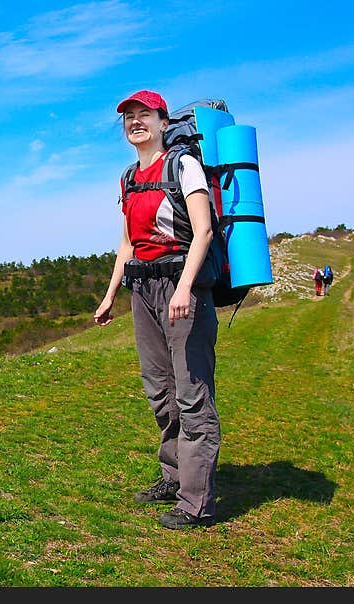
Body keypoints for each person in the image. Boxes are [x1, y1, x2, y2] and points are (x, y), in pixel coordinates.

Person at [94, 90, 220, 529]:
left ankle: (197, 502)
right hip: (142, 290)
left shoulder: (182, 165)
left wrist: (185, 287)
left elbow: (202, 231)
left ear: (163, 121)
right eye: (128, 117)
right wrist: (111, 294)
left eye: (143, 114)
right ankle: (173, 477)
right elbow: (127, 242)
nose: (135, 122)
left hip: (182, 288)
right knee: (160, 394)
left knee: (192, 394)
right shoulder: (128, 177)